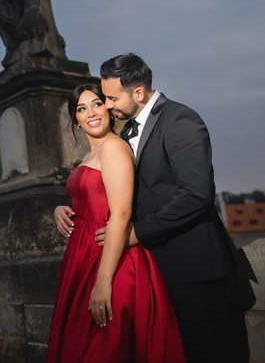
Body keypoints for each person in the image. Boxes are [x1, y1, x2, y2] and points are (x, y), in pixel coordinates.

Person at [97, 53, 250, 363]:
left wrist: (138, 232)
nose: (108, 105)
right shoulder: (125, 133)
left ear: (138, 92)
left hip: (193, 268)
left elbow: (196, 194)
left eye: (112, 97)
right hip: (155, 269)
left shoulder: (181, 119)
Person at [47, 81, 185, 363]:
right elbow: (89, 197)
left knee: (106, 349)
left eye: (97, 104)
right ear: (75, 119)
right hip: (83, 260)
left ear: (108, 108)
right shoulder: (90, 155)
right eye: (82, 109)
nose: (91, 113)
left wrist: (103, 282)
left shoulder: (113, 148)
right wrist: (61, 209)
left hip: (112, 261)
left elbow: (120, 213)